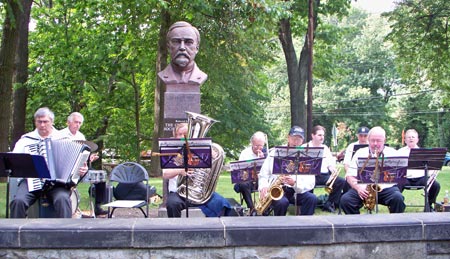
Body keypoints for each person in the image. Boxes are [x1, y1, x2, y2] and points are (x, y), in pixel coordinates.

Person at [10, 107, 88, 218]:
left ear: (52, 122)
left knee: (63, 200)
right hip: (31, 181)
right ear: (35, 122)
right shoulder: (25, 140)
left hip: (56, 183)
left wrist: (82, 171)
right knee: (18, 201)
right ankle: (16, 233)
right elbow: (14, 161)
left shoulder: (64, 139)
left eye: (45, 121)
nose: (42, 125)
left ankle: (65, 233)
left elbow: (76, 165)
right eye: (39, 121)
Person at [163, 123, 231, 217]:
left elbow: (210, 171)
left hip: (199, 192)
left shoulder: (201, 148)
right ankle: (176, 230)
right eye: (180, 134)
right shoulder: (169, 150)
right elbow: (165, 174)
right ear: (175, 136)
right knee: (172, 204)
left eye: (187, 133)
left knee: (222, 203)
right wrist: (180, 171)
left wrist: (211, 157)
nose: (184, 137)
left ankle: (214, 230)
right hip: (178, 192)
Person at [340, 126, 406, 214]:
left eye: (378, 141)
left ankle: (394, 225)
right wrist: (358, 188)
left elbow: (400, 175)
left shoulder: (393, 153)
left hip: (386, 188)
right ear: (368, 140)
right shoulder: (360, 152)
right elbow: (349, 176)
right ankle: (357, 225)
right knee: (346, 200)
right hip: (364, 188)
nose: (375, 144)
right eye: (372, 140)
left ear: (384, 140)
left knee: (398, 199)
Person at [258, 126, 318, 216]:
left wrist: (294, 183)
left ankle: (305, 226)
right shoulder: (274, 152)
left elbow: (311, 183)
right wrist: (264, 186)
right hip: (278, 190)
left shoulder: (307, 157)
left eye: (299, 139)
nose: (296, 142)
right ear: (288, 137)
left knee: (312, 198)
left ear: (303, 141)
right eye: (294, 138)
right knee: (282, 203)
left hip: (297, 191)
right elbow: (263, 174)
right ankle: (280, 227)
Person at [58, 112, 107, 216]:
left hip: (81, 166)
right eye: (76, 122)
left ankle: (97, 205)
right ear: (68, 122)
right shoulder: (60, 135)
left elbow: (82, 154)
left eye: (80, 123)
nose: (78, 125)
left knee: (101, 177)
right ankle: (70, 204)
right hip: (67, 168)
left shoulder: (81, 136)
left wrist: (89, 158)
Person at [302, 125, 345, 213]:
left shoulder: (325, 148)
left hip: (324, 176)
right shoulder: (304, 147)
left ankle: (329, 203)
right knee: (307, 183)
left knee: (341, 181)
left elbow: (330, 164)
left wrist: (333, 169)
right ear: (313, 135)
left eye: (323, 135)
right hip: (309, 175)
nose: (322, 137)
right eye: (319, 135)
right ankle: (310, 205)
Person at [398, 129, 441, 211]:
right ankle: (398, 207)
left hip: (421, 178)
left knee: (436, 185)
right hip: (405, 178)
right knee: (396, 185)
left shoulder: (424, 152)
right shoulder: (399, 152)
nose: (411, 139)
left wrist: (431, 173)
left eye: (413, 137)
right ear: (405, 140)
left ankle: (429, 206)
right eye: (409, 137)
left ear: (417, 139)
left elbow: (430, 167)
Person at [233, 131, 267, 212]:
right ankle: (251, 208)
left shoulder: (267, 153)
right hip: (249, 181)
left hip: (261, 180)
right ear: (251, 143)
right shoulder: (245, 153)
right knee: (243, 184)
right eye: (256, 146)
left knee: (269, 184)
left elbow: (269, 172)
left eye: (261, 146)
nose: (258, 148)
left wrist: (263, 160)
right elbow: (239, 171)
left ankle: (265, 209)